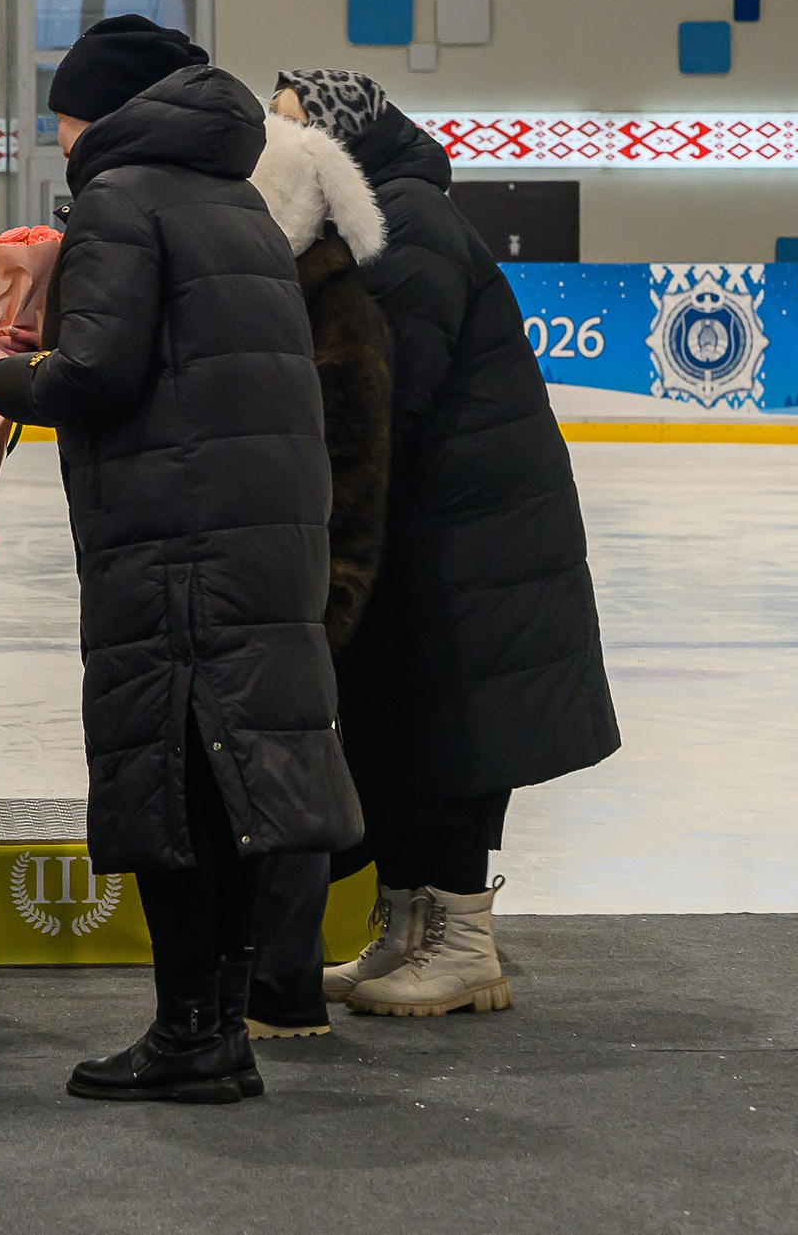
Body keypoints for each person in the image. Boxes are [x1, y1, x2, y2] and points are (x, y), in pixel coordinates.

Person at [0, 16, 362, 1104]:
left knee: (175, 783)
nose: (59, 134)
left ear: (98, 112)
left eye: (62, 114)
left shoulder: (120, 200)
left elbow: (96, 375)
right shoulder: (235, 198)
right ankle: (216, 1024)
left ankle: (189, 1031)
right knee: (225, 778)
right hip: (256, 531)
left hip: (176, 534)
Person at [277, 69, 619, 1023]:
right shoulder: (371, 218)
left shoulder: (408, 223)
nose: (281, 141)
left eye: (296, 126)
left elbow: (393, 386)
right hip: (429, 526)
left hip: (472, 537)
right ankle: (405, 928)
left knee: (458, 732)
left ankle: (463, 942)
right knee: (404, 728)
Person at [241, 101, 395, 1040]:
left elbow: (359, 475)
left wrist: (330, 606)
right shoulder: (273, 295)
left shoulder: (330, 309)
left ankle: (281, 987)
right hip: (263, 586)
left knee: (288, 790)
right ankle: (263, 979)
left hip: (300, 598)